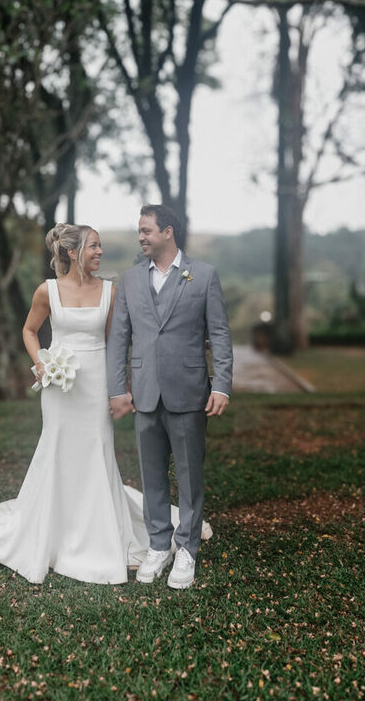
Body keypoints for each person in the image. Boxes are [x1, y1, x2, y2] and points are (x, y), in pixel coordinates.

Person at [0, 222, 208, 584]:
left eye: (101, 246)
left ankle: (98, 533)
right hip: (59, 388)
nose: (99, 252)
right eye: (93, 246)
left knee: (97, 449)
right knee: (58, 449)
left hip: (95, 383)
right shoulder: (47, 291)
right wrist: (42, 362)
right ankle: (53, 531)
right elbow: (29, 331)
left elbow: (115, 343)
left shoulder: (110, 292)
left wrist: (119, 388)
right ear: (73, 252)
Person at [107, 204, 233, 590]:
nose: (141, 237)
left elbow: (221, 334)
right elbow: (120, 339)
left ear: (168, 232)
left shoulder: (204, 275)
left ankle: (187, 549)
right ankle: (158, 545)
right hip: (145, 393)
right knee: (151, 476)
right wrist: (118, 388)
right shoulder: (128, 280)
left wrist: (222, 384)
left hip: (190, 391)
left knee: (190, 475)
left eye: (147, 230)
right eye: (139, 231)